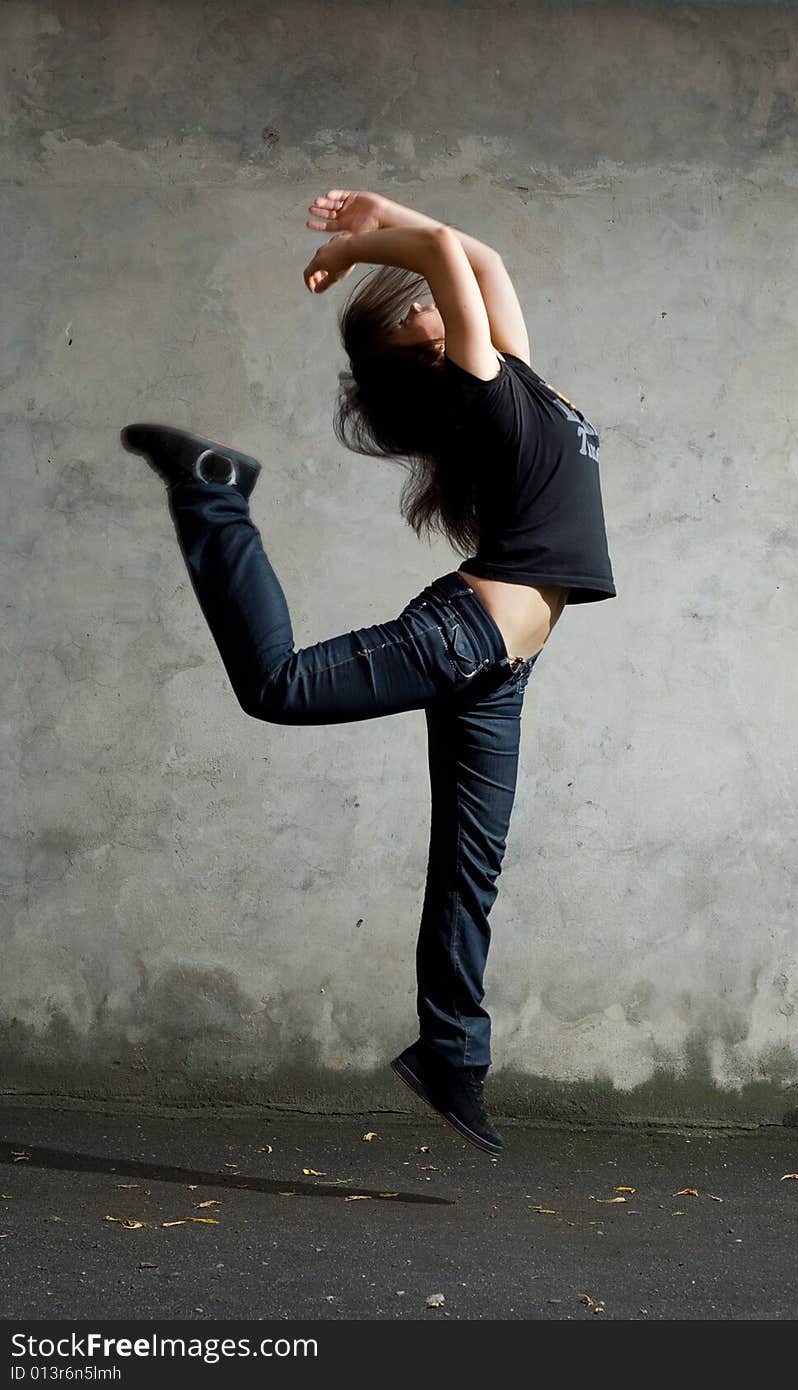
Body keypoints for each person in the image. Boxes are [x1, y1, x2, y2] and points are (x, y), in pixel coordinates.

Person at [121, 188, 616, 1156]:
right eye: (419, 308)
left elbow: (479, 259)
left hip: (499, 666)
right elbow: (440, 251)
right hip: (462, 634)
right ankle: (213, 496)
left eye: (421, 299)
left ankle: (449, 1054)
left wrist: (372, 211)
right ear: (425, 351)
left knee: (469, 869)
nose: (431, 297)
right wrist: (363, 251)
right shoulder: (475, 377)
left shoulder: (514, 375)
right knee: (276, 686)